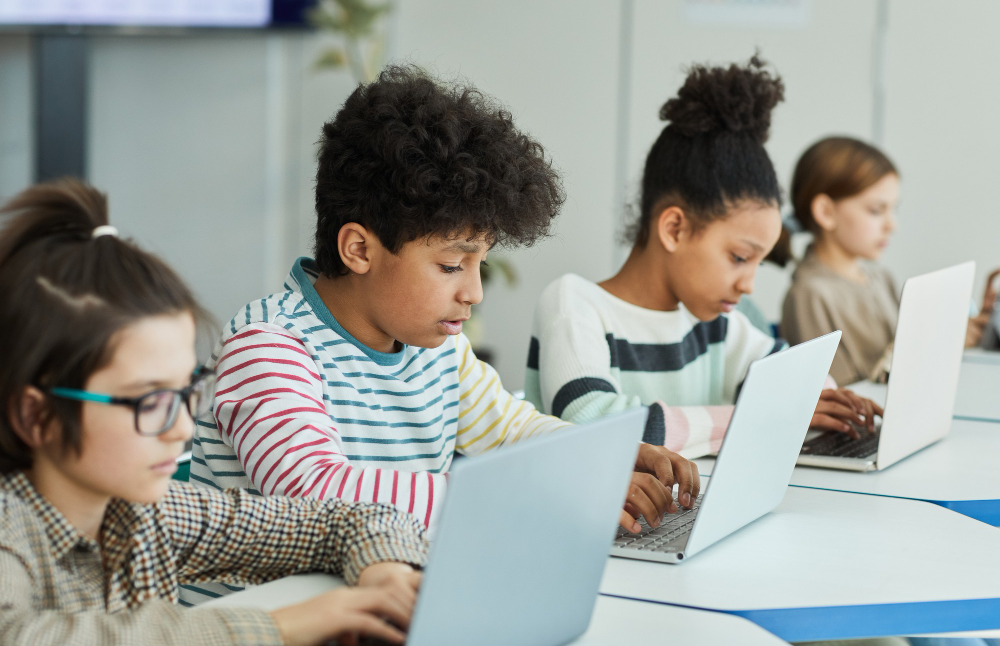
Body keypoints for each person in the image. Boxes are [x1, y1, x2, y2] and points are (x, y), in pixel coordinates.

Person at [189, 65, 698, 577]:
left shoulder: (436, 350)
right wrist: (549, 488)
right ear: (359, 249)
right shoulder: (267, 348)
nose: (473, 291)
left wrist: (603, 459)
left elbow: (508, 432)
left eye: (481, 264)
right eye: (452, 265)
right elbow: (319, 494)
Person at [0, 180, 428, 646]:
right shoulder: (11, 535)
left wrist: (382, 569)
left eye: (186, 390)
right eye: (150, 402)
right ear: (36, 417)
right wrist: (281, 626)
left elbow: (348, 520)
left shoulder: (147, 514)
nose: (181, 428)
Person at [525, 57, 882, 459]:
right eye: (738, 257)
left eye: (757, 263)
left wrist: (825, 397)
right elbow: (595, 425)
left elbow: (790, 375)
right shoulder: (574, 305)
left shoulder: (715, 323)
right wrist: (758, 416)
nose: (748, 285)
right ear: (674, 229)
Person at [778, 136, 999, 385]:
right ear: (826, 212)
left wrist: (960, 333)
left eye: (894, 209)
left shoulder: (881, 278)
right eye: (876, 210)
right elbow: (842, 399)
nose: (892, 225)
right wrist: (932, 341)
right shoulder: (809, 295)